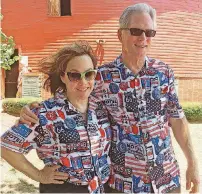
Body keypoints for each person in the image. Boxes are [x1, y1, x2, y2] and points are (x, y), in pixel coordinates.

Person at [16, 3, 200, 194]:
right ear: (120, 35)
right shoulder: (101, 77)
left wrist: (193, 163)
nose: (143, 38)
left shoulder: (164, 73)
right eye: (136, 30)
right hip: (123, 184)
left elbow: (177, 119)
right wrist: (31, 110)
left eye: (150, 32)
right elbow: (70, 100)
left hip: (166, 179)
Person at [1, 41, 113, 193]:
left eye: (89, 74)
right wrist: (39, 175)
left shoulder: (101, 108)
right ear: (63, 77)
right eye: (74, 75)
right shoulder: (44, 113)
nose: (83, 82)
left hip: (99, 188)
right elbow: (6, 147)